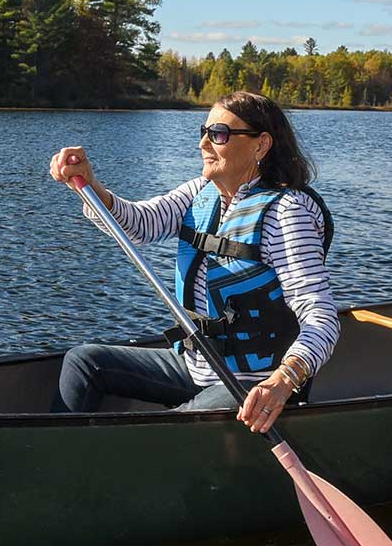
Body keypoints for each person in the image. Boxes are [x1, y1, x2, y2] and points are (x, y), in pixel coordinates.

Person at [48, 91, 338, 434]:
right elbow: (140, 223)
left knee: (166, 428)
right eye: (204, 131)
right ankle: (54, 456)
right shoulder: (201, 192)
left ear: (260, 145)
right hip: (196, 366)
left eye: (219, 134)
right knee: (84, 362)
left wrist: (282, 382)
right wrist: (89, 185)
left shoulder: (288, 213)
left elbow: (322, 318)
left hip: (252, 386)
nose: (203, 143)